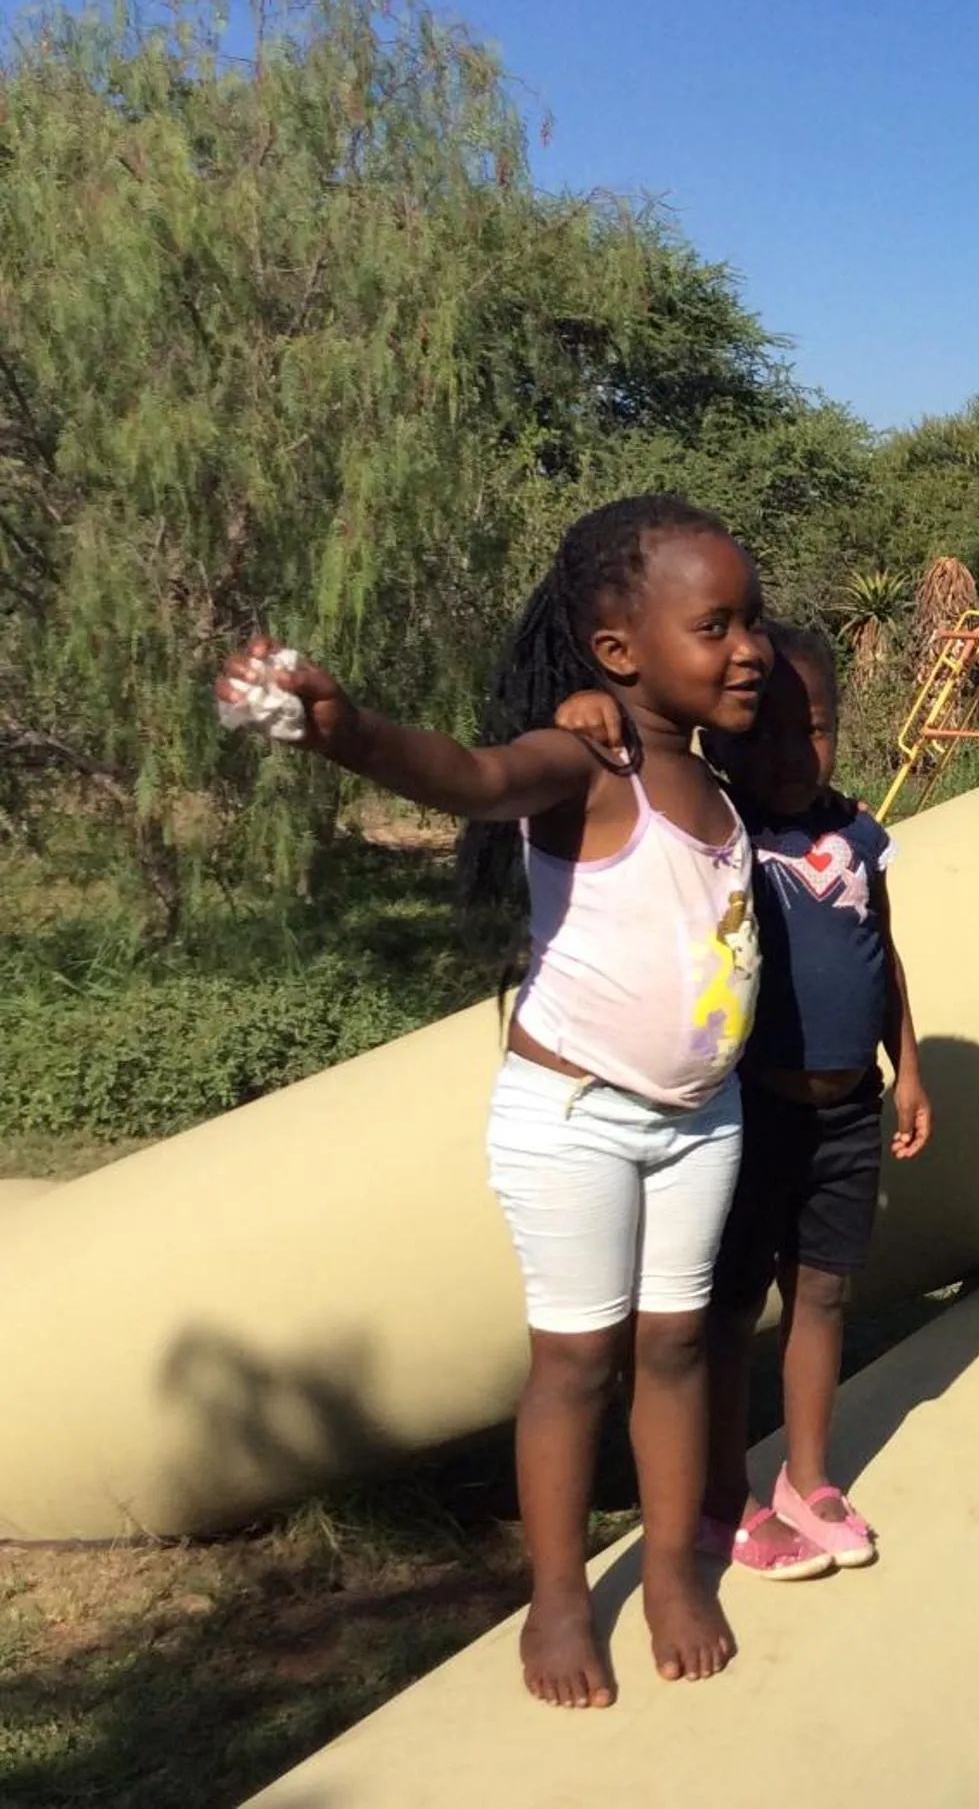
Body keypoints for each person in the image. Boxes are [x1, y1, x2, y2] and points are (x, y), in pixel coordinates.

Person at [214, 495, 769, 1709]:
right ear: (620, 652)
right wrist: (348, 732)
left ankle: (674, 1565)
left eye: (754, 621)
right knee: (575, 1366)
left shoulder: (714, 772)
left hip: (699, 1122)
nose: (750, 648)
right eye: (716, 625)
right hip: (576, 1117)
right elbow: (471, 777)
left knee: (676, 1347)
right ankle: (561, 1600)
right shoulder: (588, 757)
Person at [558, 626, 929, 1580]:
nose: (797, 752)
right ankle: (726, 1492)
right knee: (723, 1315)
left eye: (818, 729)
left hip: (849, 1113)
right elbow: (632, 780)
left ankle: (810, 1476)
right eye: (768, 734)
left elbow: (880, 955)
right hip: (746, 1116)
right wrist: (592, 717)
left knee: (824, 1292)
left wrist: (909, 1066)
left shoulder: (857, 834)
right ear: (721, 742)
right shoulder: (720, 834)